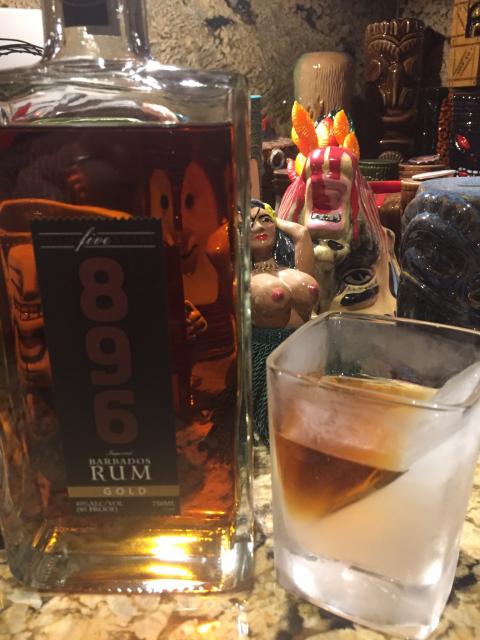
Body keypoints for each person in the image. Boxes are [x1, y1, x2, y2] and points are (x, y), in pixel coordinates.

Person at [250, 199, 318, 445]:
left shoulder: (290, 266)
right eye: (249, 223)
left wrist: (274, 218)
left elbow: (301, 233)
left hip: (308, 348)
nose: (259, 227)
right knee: (288, 428)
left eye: (264, 220)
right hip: (268, 353)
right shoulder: (241, 275)